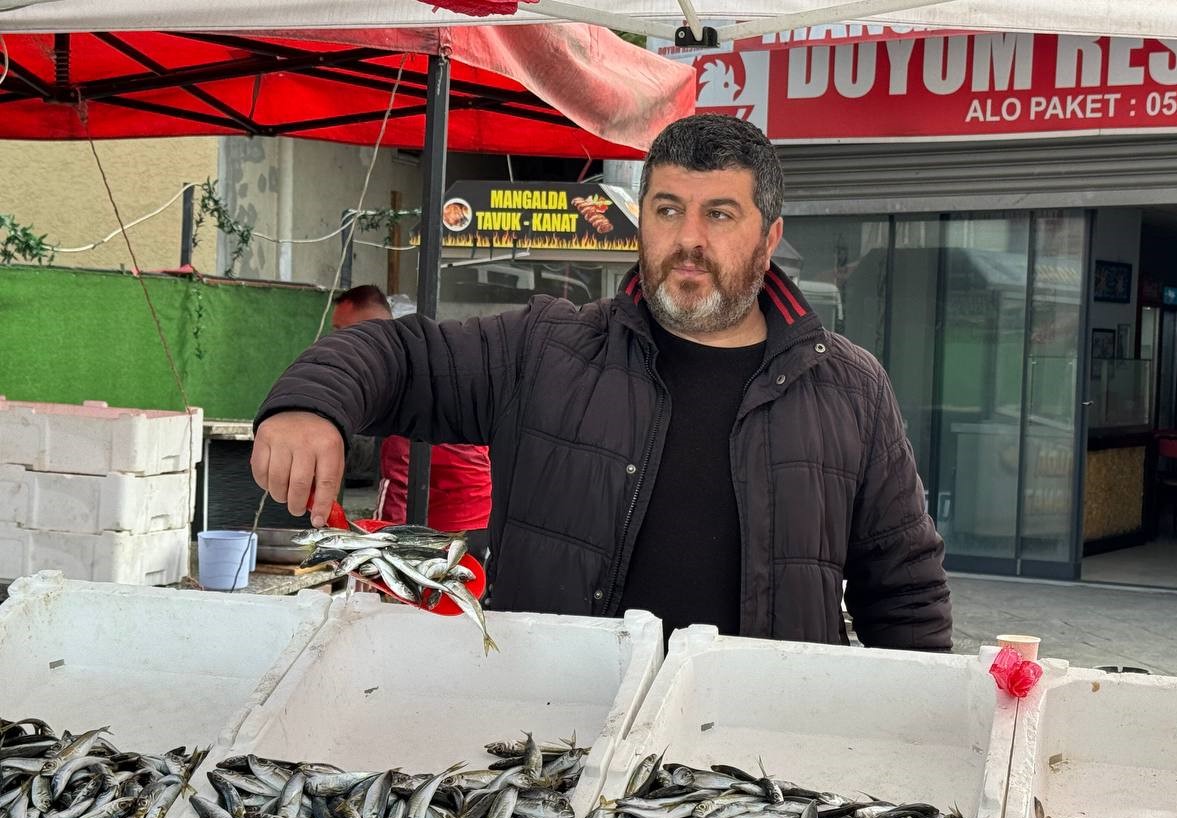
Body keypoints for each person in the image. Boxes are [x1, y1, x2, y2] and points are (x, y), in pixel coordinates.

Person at [252, 115, 951, 648]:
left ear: (769, 237)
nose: (689, 240)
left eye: (720, 214)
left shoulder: (849, 390)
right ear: (642, 222)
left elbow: (905, 591)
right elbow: (402, 356)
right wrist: (311, 404)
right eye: (669, 209)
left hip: (761, 765)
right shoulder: (546, 347)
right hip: (557, 748)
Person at [331, 285, 492, 558]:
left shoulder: (400, 379)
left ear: (365, 331)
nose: (335, 342)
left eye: (341, 332)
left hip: (447, 532)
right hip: (481, 515)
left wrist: (376, 547)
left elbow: (399, 480)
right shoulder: (432, 359)